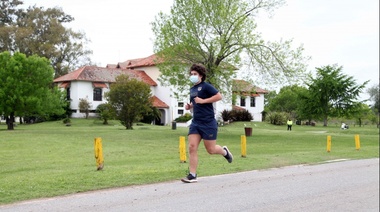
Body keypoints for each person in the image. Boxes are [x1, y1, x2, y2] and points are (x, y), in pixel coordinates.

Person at [181, 63, 233, 183]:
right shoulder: (192, 89)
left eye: (195, 74)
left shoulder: (206, 86)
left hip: (208, 122)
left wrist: (204, 101)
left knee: (211, 150)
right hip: (196, 122)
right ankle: (192, 175)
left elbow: (219, 96)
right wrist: (190, 106)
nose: (192, 76)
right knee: (192, 147)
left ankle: (225, 152)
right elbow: (195, 103)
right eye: (191, 74)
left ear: (201, 76)